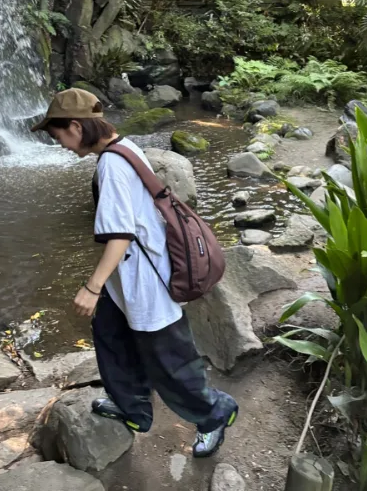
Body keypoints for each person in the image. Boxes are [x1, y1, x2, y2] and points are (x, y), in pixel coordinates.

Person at [31, 88, 238, 457]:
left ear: (76, 127)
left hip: (146, 280)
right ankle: (133, 407)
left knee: (170, 360)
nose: (59, 143)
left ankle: (214, 413)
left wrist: (92, 287)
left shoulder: (113, 164)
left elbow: (121, 234)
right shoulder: (124, 148)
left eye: (58, 135)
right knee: (111, 338)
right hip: (125, 279)